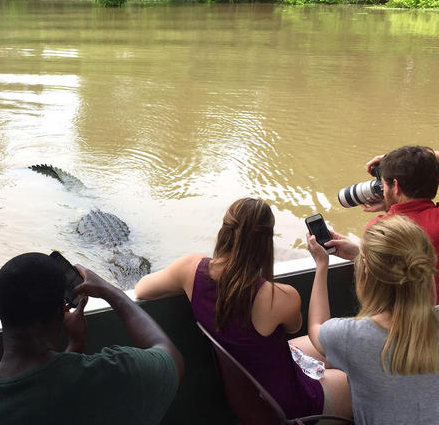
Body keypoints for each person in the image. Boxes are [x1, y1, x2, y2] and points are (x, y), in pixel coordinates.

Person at [134, 197, 352, 419]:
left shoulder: (189, 269)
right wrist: (322, 265)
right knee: (357, 379)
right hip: (288, 403)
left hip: (249, 398)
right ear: (266, 241)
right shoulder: (280, 297)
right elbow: (313, 334)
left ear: (225, 229)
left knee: (338, 353)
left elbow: (141, 290)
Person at [0, 252, 184, 425]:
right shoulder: (116, 377)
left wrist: (74, 346)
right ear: (62, 312)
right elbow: (170, 357)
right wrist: (111, 291)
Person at [306, 214, 439, 424]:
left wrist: (322, 264)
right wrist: (364, 257)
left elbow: (316, 327)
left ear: (366, 268)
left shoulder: (351, 336)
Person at [327, 146, 439, 291]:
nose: (381, 189)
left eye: (383, 183)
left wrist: (390, 209)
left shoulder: (380, 229)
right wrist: (424, 159)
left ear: (396, 186)